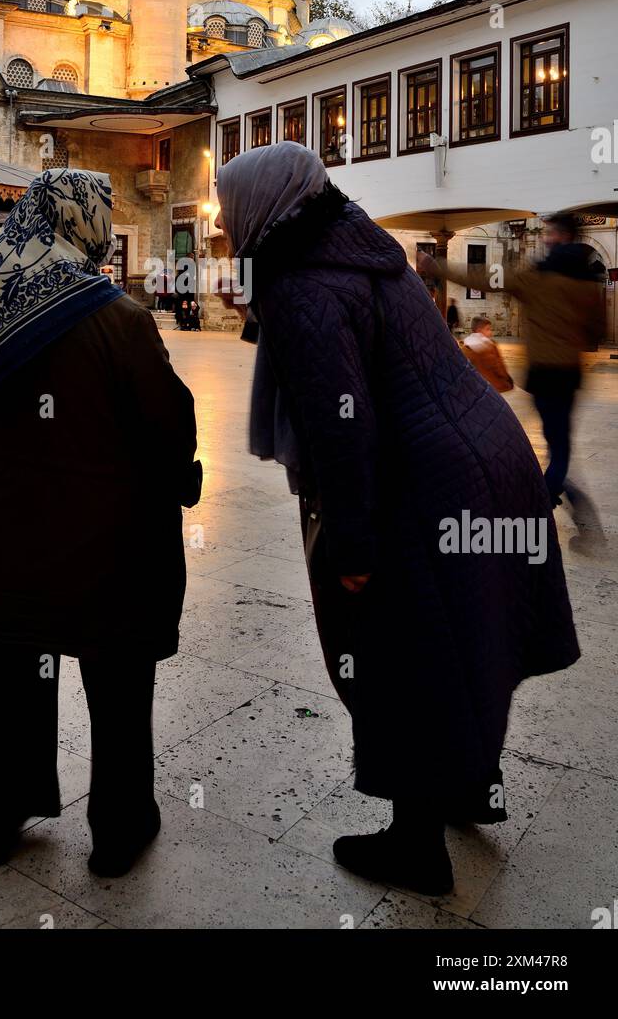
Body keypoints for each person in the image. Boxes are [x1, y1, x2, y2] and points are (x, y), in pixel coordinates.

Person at [216, 142, 579, 898]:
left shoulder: (303, 286)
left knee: (399, 650)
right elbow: (341, 339)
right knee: (470, 631)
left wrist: (352, 540)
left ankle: (416, 846)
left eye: (227, 207)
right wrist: (263, 311)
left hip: (429, 480)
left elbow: (340, 424)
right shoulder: (360, 250)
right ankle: (473, 786)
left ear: (262, 206)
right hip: (493, 457)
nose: (224, 221)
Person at [0, 169, 199, 873]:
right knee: (117, 687)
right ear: (85, 223)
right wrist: (185, 482)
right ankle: (119, 831)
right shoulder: (119, 318)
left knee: (3, 682)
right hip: (106, 545)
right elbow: (168, 430)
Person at [419, 213, 604, 532]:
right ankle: (560, 498)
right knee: (558, 442)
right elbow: (596, 332)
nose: (545, 238)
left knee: (556, 444)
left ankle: (542, 502)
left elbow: (483, 278)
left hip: (544, 373)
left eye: (549, 233)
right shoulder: (588, 283)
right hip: (569, 373)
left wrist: (437, 266)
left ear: (560, 236)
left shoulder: (537, 277)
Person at [460, 315, 514, 394]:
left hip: (473, 387)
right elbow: (498, 366)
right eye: (488, 329)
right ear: (479, 330)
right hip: (491, 385)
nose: (490, 332)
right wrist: (506, 378)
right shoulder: (489, 346)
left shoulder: (465, 345)